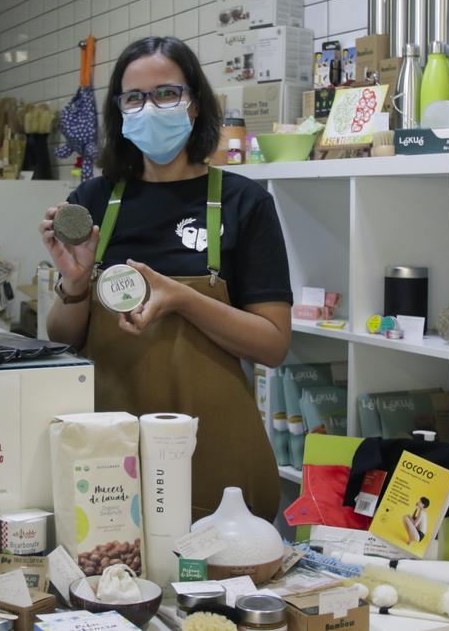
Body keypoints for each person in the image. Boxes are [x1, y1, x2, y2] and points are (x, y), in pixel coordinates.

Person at [39, 36, 292, 520]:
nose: (149, 108)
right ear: (120, 112)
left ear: (195, 104)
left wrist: (182, 299)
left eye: (166, 94)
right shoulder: (93, 200)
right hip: (109, 445)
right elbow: (64, 338)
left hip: (214, 446)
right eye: (134, 98)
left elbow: (274, 345)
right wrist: (73, 284)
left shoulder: (244, 203)